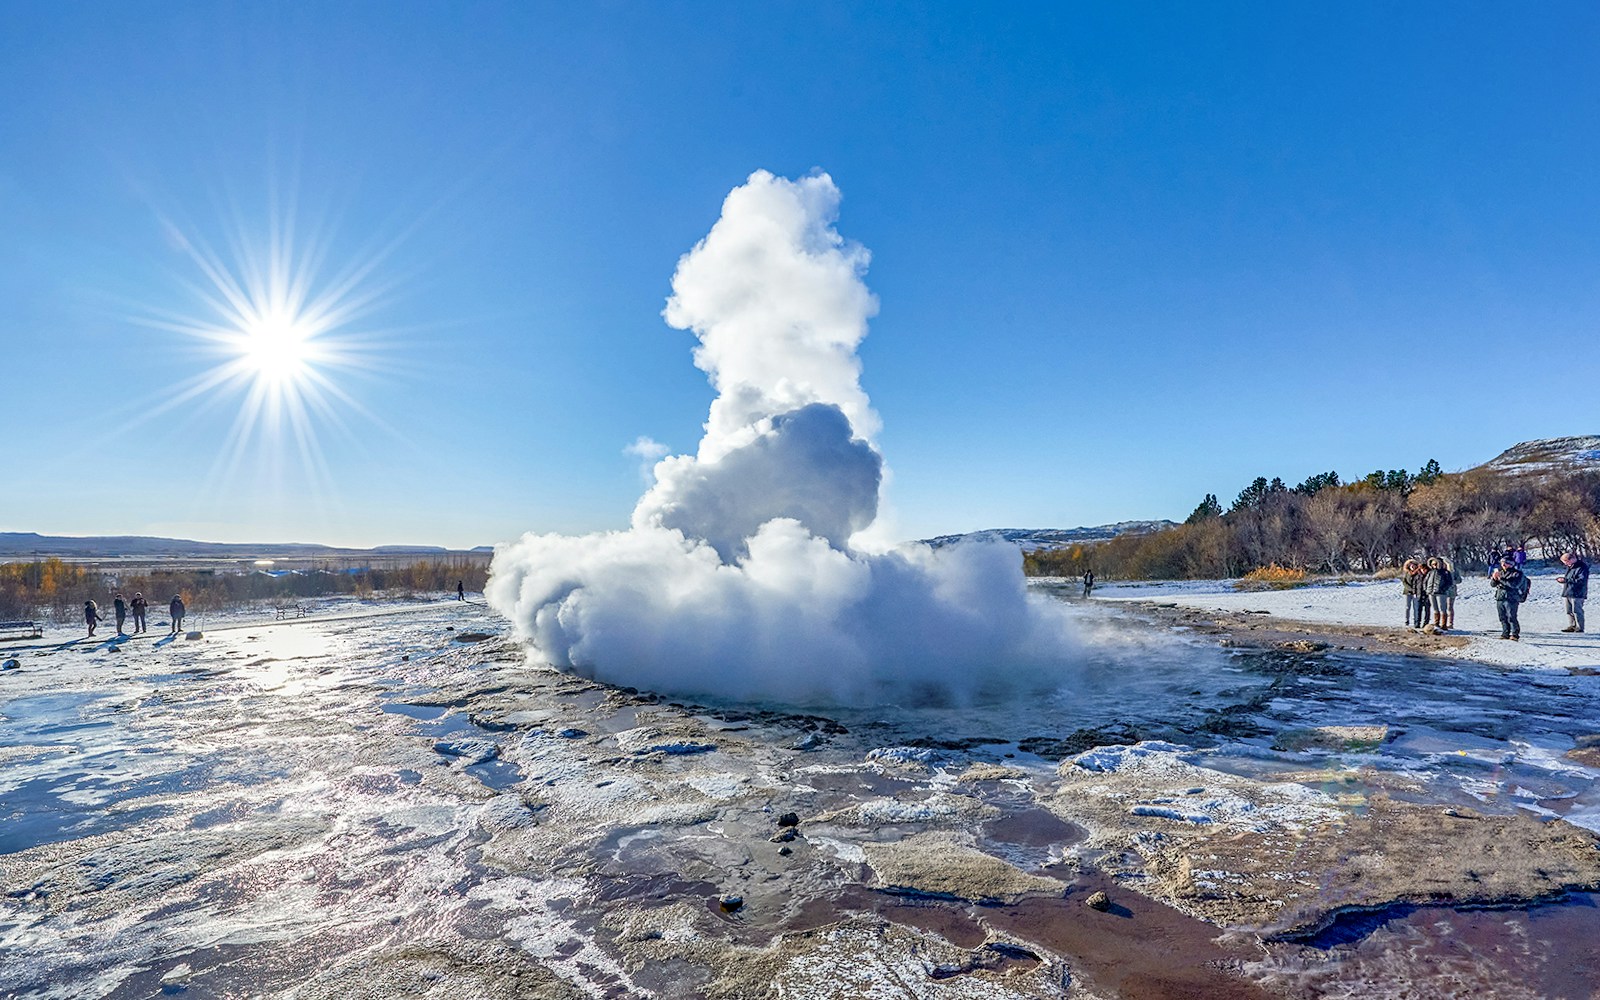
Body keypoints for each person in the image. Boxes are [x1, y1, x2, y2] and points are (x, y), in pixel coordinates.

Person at [1490, 557, 1528, 640]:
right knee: (1502, 616)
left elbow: (1514, 585)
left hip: (1511, 598)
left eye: (1506, 563)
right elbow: (1493, 585)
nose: (1503, 564)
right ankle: (1505, 633)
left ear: (1511, 564)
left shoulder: (1517, 573)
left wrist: (1501, 579)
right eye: (1502, 562)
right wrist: (1494, 578)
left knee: (1511, 616)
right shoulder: (1500, 572)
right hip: (1500, 597)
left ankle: (1515, 634)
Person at [1559, 551, 1590, 633]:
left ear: (1571, 559)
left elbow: (1581, 580)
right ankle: (1572, 626)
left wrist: (1566, 580)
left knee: (1577, 610)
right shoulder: (1570, 566)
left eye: (1566, 562)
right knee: (1569, 611)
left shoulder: (1582, 567)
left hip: (1577, 593)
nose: (1565, 564)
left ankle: (1580, 627)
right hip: (1568, 591)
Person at [1423, 557, 1454, 629]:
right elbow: (1425, 581)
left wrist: (1443, 589)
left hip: (1441, 593)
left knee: (1442, 608)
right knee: (1435, 608)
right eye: (1433, 564)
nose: (1434, 565)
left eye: (1435, 563)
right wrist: (1426, 589)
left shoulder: (1445, 572)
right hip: (1431, 592)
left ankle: (1443, 625)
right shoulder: (1430, 572)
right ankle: (1436, 623)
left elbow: (1449, 582)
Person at [1401, 559, 1423, 627]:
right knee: (1407, 607)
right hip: (1408, 592)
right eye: (1411, 565)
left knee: (1415, 607)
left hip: (1416, 592)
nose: (1412, 567)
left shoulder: (1418, 573)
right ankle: (1406, 620)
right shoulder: (1407, 573)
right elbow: (1404, 582)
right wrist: (1410, 589)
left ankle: (1415, 621)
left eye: (1414, 565)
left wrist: (1415, 590)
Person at [1439, 556, 1459, 630]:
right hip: (1442, 591)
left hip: (1451, 591)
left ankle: (1450, 623)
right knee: (1442, 607)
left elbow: (1459, 580)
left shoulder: (1453, 571)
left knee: (1449, 607)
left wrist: (1452, 582)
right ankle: (1443, 622)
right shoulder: (1440, 571)